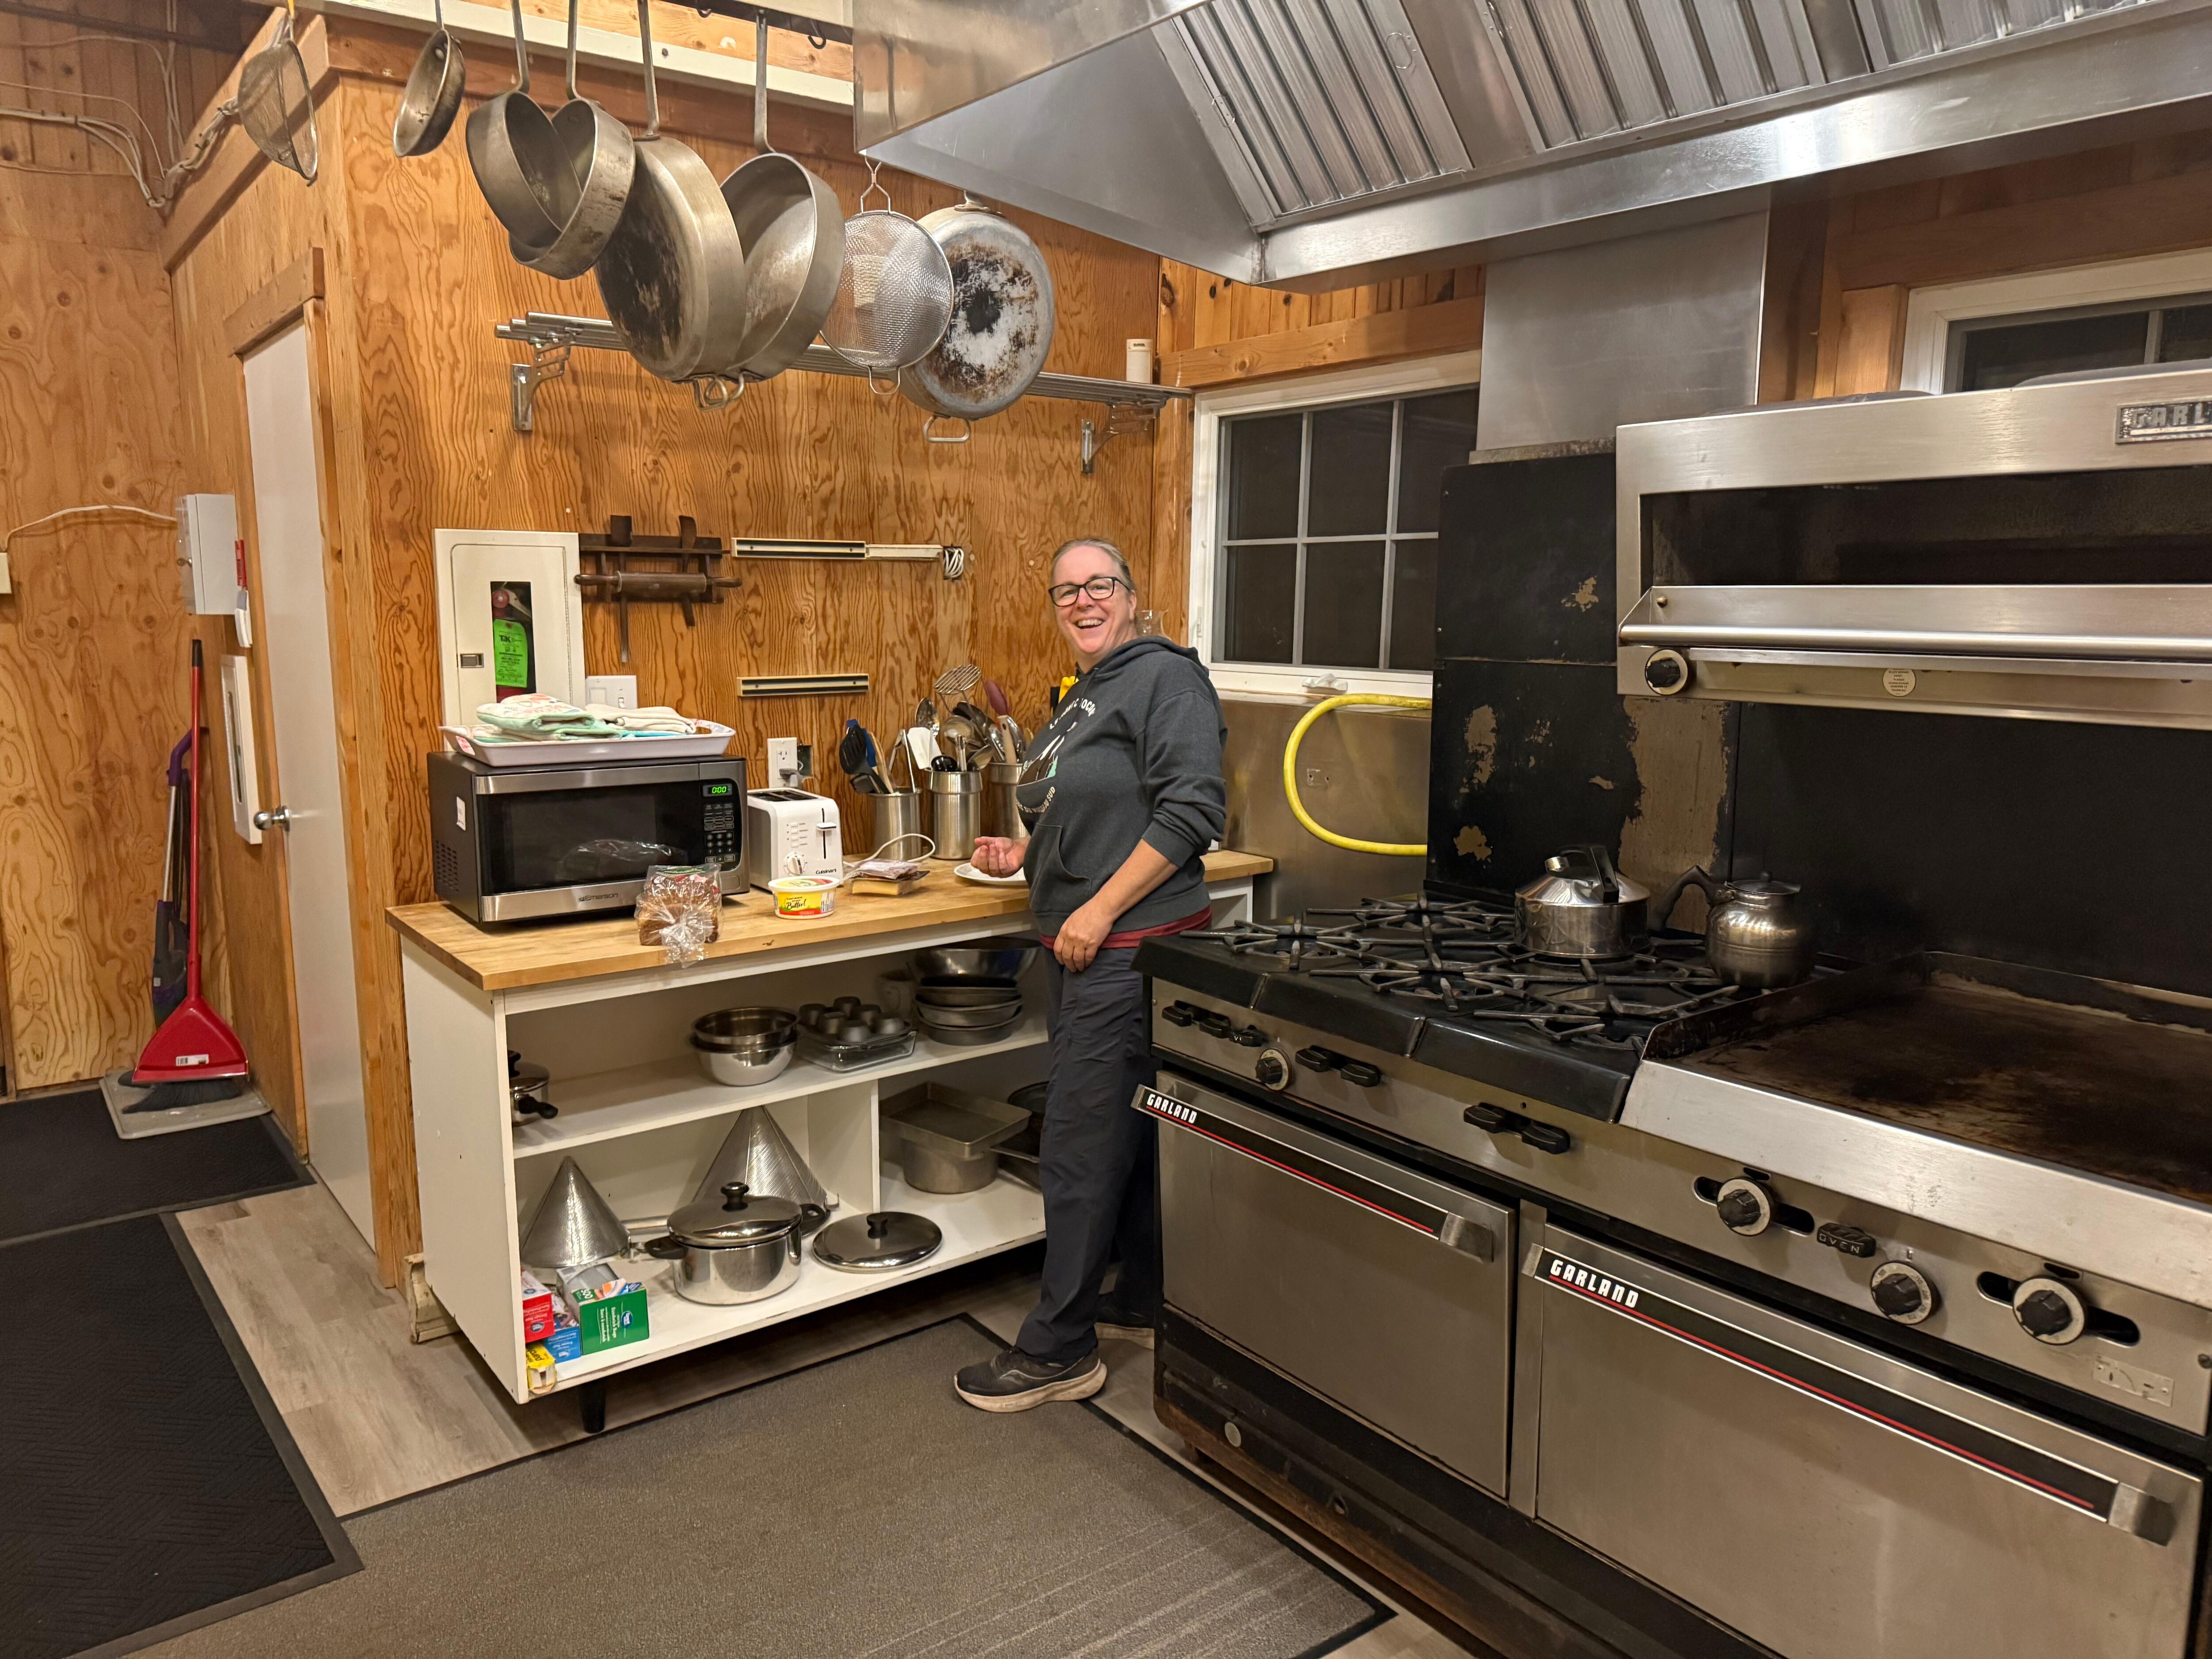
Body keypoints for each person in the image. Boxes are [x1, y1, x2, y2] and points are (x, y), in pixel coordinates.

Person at [952, 538, 1226, 1412]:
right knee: (1130, 1134)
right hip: (1086, 944)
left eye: (1099, 584)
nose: (1082, 601)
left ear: (1132, 596)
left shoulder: (1166, 680)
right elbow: (1086, 805)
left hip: (1126, 946)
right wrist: (1025, 852)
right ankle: (1140, 1296)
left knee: (1077, 1145)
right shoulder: (1087, 692)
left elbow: (1192, 810)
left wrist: (1101, 908)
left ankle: (1059, 1349)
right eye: (1065, 591)